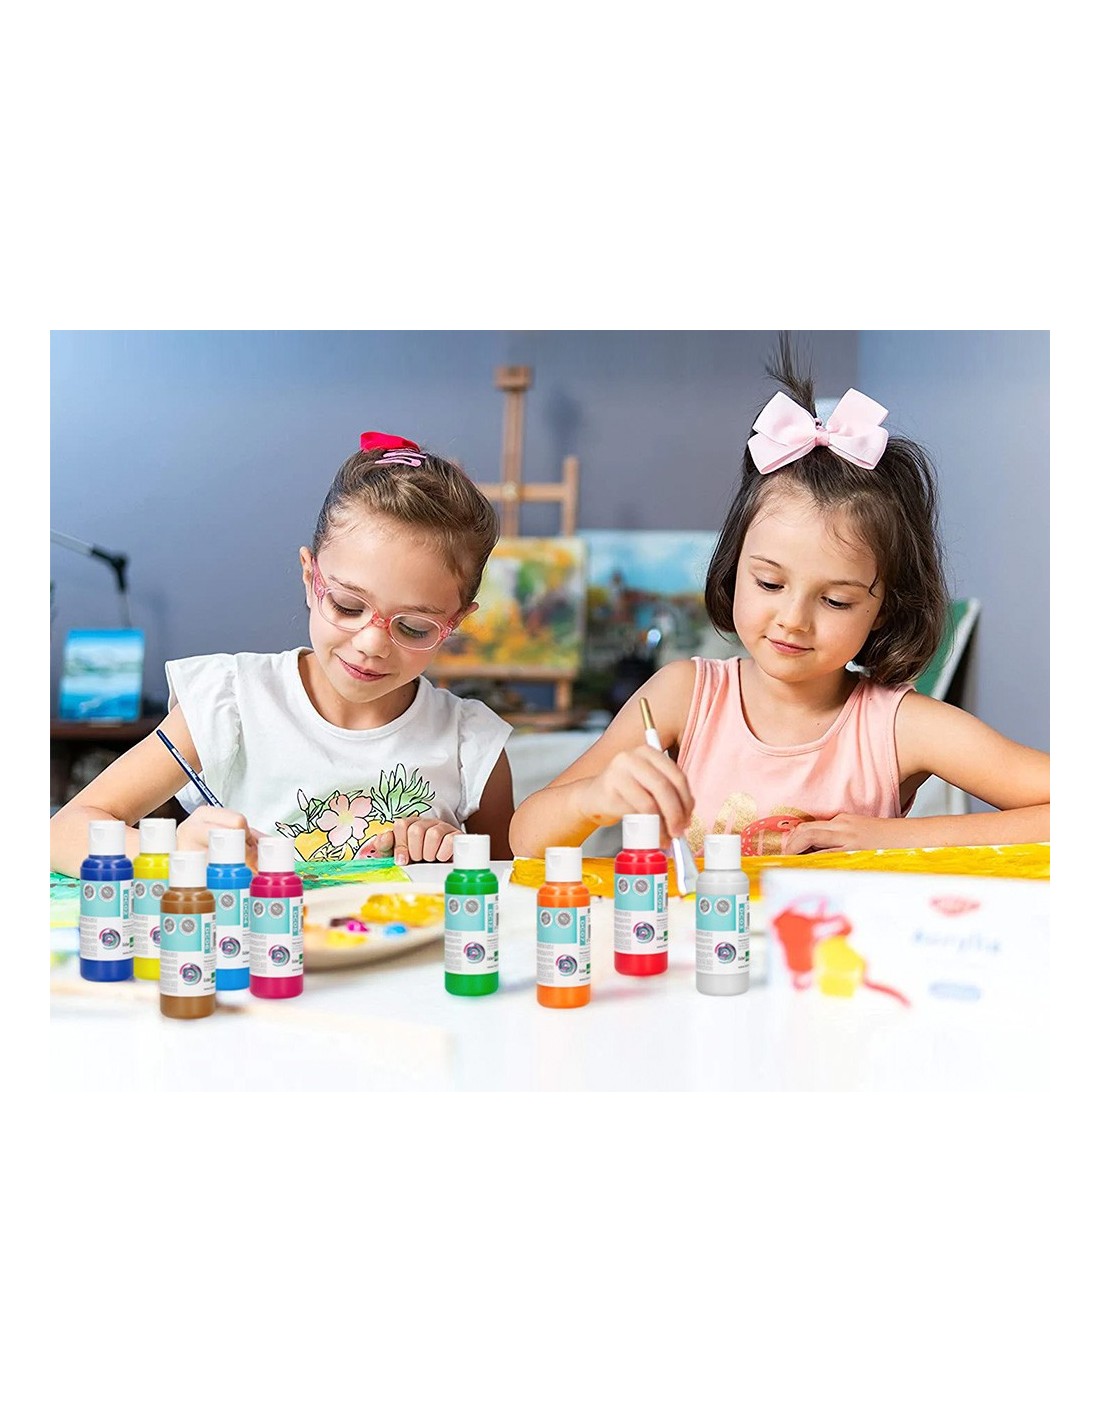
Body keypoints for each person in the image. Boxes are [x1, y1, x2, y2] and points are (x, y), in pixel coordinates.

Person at [509, 344, 1049, 860]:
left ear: (884, 606)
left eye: (835, 600)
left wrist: (897, 839)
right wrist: (593, 798)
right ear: (735, 563)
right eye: (769, 584)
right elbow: (524, 836)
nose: (793, 620)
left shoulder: (897, 725)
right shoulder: (683, 696)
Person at [51, 432, 515, 877]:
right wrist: (177, 856)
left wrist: (456, 854)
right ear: (310, 577)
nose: (371, 644)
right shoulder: (231, 701)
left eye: (414, 627)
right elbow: (62, 834)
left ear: (457, 621)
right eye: (347, 605)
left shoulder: (470, 744)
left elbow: (509, 890)